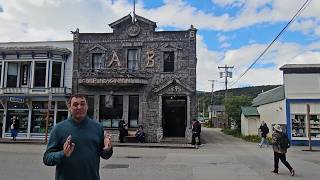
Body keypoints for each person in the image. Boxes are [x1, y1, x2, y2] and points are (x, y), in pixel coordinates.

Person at [43, 94, 113, 180]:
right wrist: (63, 154)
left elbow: (105, 155)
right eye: (75, 104)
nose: (79, 107)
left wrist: (108, 148)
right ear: (69, 107)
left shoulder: (97, 127)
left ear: (87, 107)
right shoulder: (58, 128)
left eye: (82, 104)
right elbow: (47, 158)